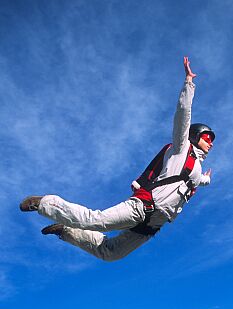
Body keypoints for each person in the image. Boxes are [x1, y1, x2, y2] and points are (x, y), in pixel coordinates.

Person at [20, 57, 215, 262]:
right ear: (195, 136)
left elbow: (198, 180)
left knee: (111, 253)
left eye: (212, 140)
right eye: (207, 137)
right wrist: (188, 84)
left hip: (152, 225)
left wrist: (207, 179)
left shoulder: (196, 170)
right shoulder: (181, 148)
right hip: (143, 207)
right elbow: (182, 114)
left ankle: (66, 231)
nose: (210, 143)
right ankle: (45, 203)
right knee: (94, 220)